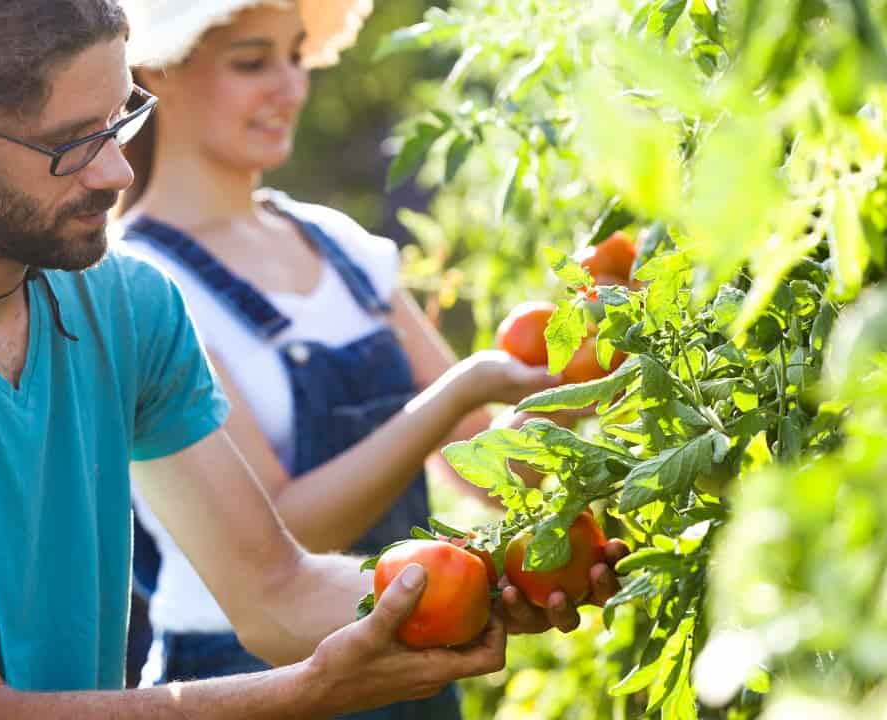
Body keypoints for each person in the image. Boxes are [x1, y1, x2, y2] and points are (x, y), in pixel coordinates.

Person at [0, 1, 624, 718]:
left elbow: (273, 592)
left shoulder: (119, 303)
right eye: (69, 144)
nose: (111, 171)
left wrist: (476, 587)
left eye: (122, 119)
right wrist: (309, 694)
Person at [115, 1, 623, 711]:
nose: (289, 87)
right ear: (156, 73)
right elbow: (282, 535)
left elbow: (493, 475)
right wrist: (460, 388)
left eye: (296, 57)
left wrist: (573, 376)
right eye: (252, 63)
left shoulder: (338, 245)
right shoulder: (137, 285)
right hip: (240, 672)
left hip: (414, 643)